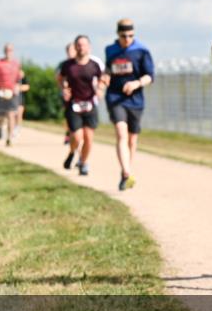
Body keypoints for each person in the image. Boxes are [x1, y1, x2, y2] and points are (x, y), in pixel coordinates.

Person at [103, 19, 155, 191]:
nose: (127, 39)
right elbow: (109, 69)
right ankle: (126, 172)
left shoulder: (141, 50)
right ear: (118, 34)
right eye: (124, 35)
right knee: (121, 133)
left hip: (135, 100)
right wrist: (106, 76)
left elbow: (150, 76)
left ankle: (126, 171)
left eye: (131, 35)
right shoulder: (111, 50)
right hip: (115, 97)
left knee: (132, 140)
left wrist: (136, 84)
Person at [60, 35, 105, 176]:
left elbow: (102, 79)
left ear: (89, 47)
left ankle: (84, 162)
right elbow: (61, 79)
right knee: (77, 137)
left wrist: (100, 89)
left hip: (90, 104)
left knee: (89, 138)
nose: (81, 47)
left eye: (84, 45)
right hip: (74, 104)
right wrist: (64, 89)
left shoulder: (94, 65)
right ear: (75, 47)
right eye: (78, 45)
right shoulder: (68, 65)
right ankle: (72, 152)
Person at [0, 44, 23, 146]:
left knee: (11, 114)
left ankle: (9, 138)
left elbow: (18, 78)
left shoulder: (16, 63)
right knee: (1, 115)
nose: (9, 52)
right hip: (0, 92)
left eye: (10, 50)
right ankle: (0, 127)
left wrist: (17, 86)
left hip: (12, 93)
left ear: (12, 51)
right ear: (4, 51)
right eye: (7, 50)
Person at [55, 42, 77, 145]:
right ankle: (69, 133)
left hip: (80, 94)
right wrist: (63, 89)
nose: (70, 52)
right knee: (68, 115)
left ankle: (76, 133)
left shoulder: (80, 63)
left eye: (72, 50)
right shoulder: (63, 64)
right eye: (68, 51)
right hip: (66, 95)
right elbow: (57, 78)